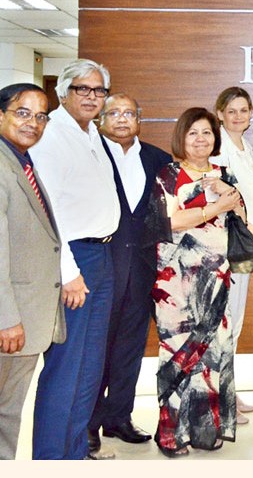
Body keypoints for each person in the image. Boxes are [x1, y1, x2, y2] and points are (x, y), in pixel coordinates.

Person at [28, 59, 120, 460]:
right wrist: (68, 272)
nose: (92, 97)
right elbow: (49, 212)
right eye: (83, 89)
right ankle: (51, 458)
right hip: (75, 260)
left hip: (102, 254)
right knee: (66, 367)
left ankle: (75, 452)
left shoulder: (92, 135)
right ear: (63, 92)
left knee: (89, 366)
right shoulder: (52, 135)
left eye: (99, 91)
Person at [149, 107, 244, 457]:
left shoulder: (224, 173)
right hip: (176, 281)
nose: (200, 139)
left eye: (206, 133)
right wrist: (213, 208)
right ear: (181, 138)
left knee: (213, 354)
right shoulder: (168, 175)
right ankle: (170, 433)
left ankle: (205, 430)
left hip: (217, 276)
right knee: (178, 352)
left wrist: (225, 193)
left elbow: (243, 220)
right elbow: (169, 222)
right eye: (193, 133)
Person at [88, 93, 172, 451]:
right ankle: (89, 422)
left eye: (129, 113)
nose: (122, 119)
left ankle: (118, 417)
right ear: (100, 119)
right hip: (100, 271)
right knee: (96, 350)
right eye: (114, 113)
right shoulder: (89, 156)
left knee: (130, 347)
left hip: (143, 270)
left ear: (140, 118)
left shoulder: (158, 159)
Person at [0, 84, 65, 459]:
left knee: (6, 416)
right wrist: (5, 319)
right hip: (7, 322)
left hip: (26, 317)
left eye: (40, 116)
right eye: (23, 112)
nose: (32, 122)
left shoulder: (20, 160)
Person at [210, 86, 253, 424]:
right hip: (225, 247)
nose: (237, 116)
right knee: (222, 322)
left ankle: (227, 387)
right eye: (230, 110)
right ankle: (218, 397)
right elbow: (217, 189)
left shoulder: (247, 147)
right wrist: (244, 216)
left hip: (246, 247)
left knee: (234, 321)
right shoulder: (216, 145)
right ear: (219, 113)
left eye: (243, 110)